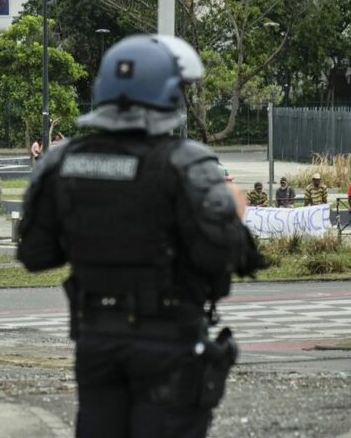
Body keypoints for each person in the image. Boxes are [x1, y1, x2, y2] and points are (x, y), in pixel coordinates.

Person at [17, 34, 262, 438]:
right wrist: (233, 211)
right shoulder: (186, 164)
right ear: (167, 95)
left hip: (96, 336)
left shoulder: (63, 161)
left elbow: (35, 254)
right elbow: (224, 256)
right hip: (168, 339)